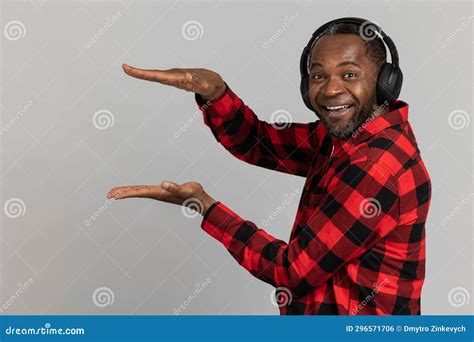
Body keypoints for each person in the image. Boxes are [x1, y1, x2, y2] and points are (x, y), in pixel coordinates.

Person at [106, 20, 431, 315]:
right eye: (319, 75)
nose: (331, 89)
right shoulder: (347, 137)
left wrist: (206, 207)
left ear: (386, 83)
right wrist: (214, 92)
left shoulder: (377, 166)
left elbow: (293, 272)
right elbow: (258, 143)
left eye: (349, 74)